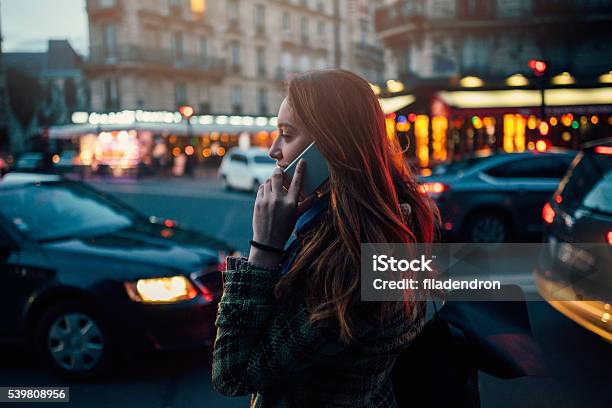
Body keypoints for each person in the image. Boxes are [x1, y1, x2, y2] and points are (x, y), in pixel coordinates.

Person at [212, 69, 439, 407]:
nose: (273, 149)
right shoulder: (390, 219)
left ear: (330, 146)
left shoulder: (352, 266)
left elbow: (233, 373)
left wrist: (264, 248)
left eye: (286, 134)